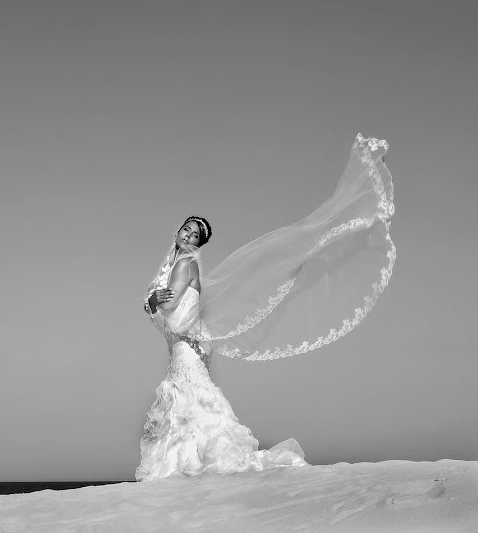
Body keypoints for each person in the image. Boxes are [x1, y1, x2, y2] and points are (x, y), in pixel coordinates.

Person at [135, 135, 395, 480]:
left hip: (186, 348)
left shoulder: (185, 265)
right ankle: (189, 466)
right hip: (188, 348)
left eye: (195, 234)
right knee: (192, 405)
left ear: (200, 243)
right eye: (186, 229)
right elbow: (164, 306)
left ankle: (186, 468)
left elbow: (174, 315)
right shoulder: (178, 264)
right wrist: (155, 300)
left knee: (187, 402)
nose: (188, 235)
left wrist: (156, 301)